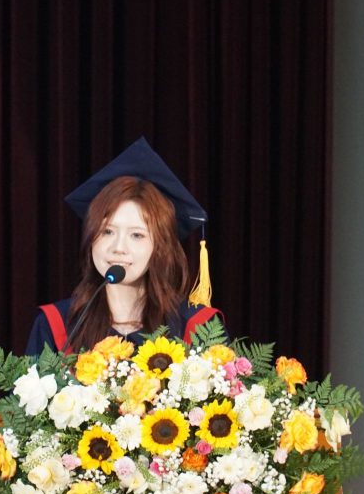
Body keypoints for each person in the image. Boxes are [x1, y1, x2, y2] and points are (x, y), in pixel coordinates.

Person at [25, 137, 222, 356]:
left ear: (161, 247)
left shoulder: (196, 328)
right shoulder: (56, 327)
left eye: (137, 235)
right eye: (107, 231)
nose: (118, 247)